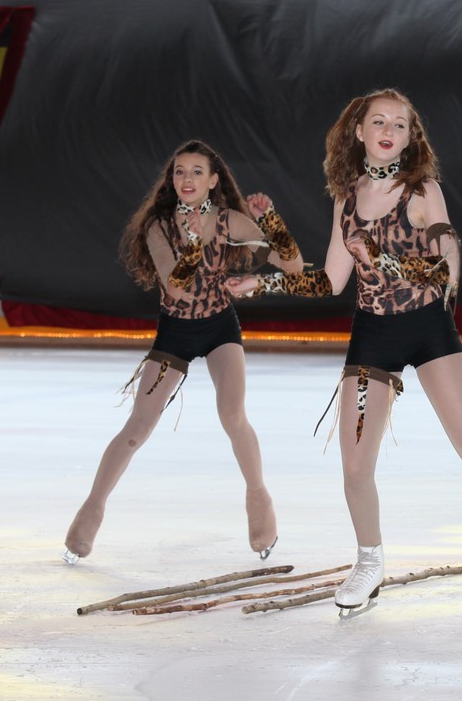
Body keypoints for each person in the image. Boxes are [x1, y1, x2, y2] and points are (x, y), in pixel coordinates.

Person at [228, 89, 462, 619]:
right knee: (354, 466)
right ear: (359, 131)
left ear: (411, 137)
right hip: (373, 336)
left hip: (429, 330)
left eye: (400, 124)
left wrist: (387, 260)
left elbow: (446, 265)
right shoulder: (346, 199)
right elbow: (331, 281)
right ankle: (369, 561)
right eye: (379, 121)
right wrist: (263, 283)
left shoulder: (422, 191)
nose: (388, 130)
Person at [61, 140, 303, 565]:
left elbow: (294, 266)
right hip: (175, 332)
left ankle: (258, 496)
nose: (186, 179)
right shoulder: (159, 226)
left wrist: (270, 220)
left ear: (212, 181)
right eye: (179, 171)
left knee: (233, 416)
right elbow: (176, 288)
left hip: (219, 327)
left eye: (196, 171)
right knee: (137, 427)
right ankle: (93, 508)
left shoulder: (229, 221)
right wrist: (193, 240)